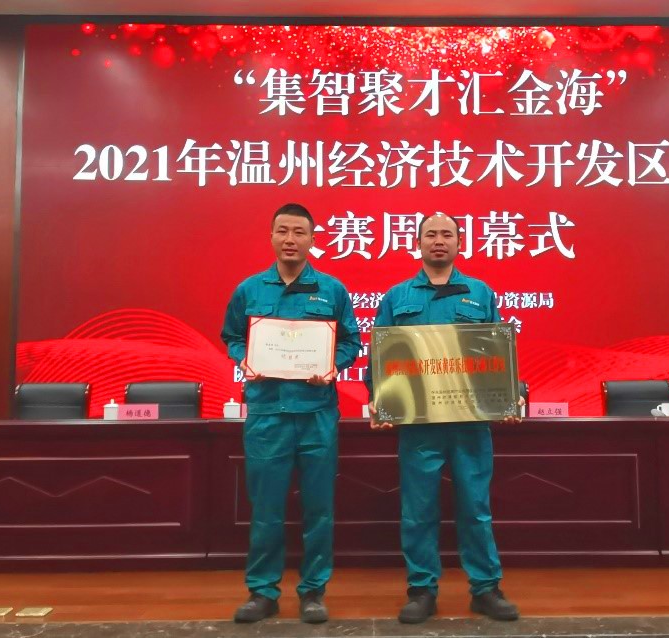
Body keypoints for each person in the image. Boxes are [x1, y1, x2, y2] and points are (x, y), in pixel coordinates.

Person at [366, 212, 521, 624]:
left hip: (470, 422)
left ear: (458, 243)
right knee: (418, 509)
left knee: (476, 508)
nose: (439, 240)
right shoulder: (397, 297)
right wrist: (378, 400)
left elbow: (498, 354)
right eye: (431, 234)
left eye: (447, 234)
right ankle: (421, 589)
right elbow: (380, 357)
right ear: (417, 243)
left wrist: (511, 396)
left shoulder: (480, 293)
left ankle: (485, 588)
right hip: (419, 425)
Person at [221, 203, 362, 624]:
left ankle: (313, 592)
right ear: (271, 236)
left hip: (317, 414)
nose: (290, 239)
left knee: (319, 510)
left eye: (299, 232)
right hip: (267, 415)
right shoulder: (249, 290)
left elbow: (351, 342)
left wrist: (332, 366)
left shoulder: (332, 290)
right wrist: (245, 358)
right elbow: (232, 336)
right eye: (282, 231)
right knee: (266, 510)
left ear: (312, 239)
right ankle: (262, 592)